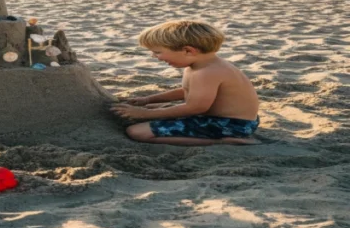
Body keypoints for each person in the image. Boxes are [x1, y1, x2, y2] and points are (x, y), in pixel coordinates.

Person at [111, 21, 260, 146]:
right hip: (240, 120)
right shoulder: (203, 65)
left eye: (157, 52)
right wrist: (148, 100)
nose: (154, 56)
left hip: (231, 125)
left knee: (137, 132)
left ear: (188, 50)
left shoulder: (206, 73)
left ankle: (222, 142)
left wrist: (146, 114)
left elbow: (196, 107)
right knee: (153, 109)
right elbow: (187, 90)